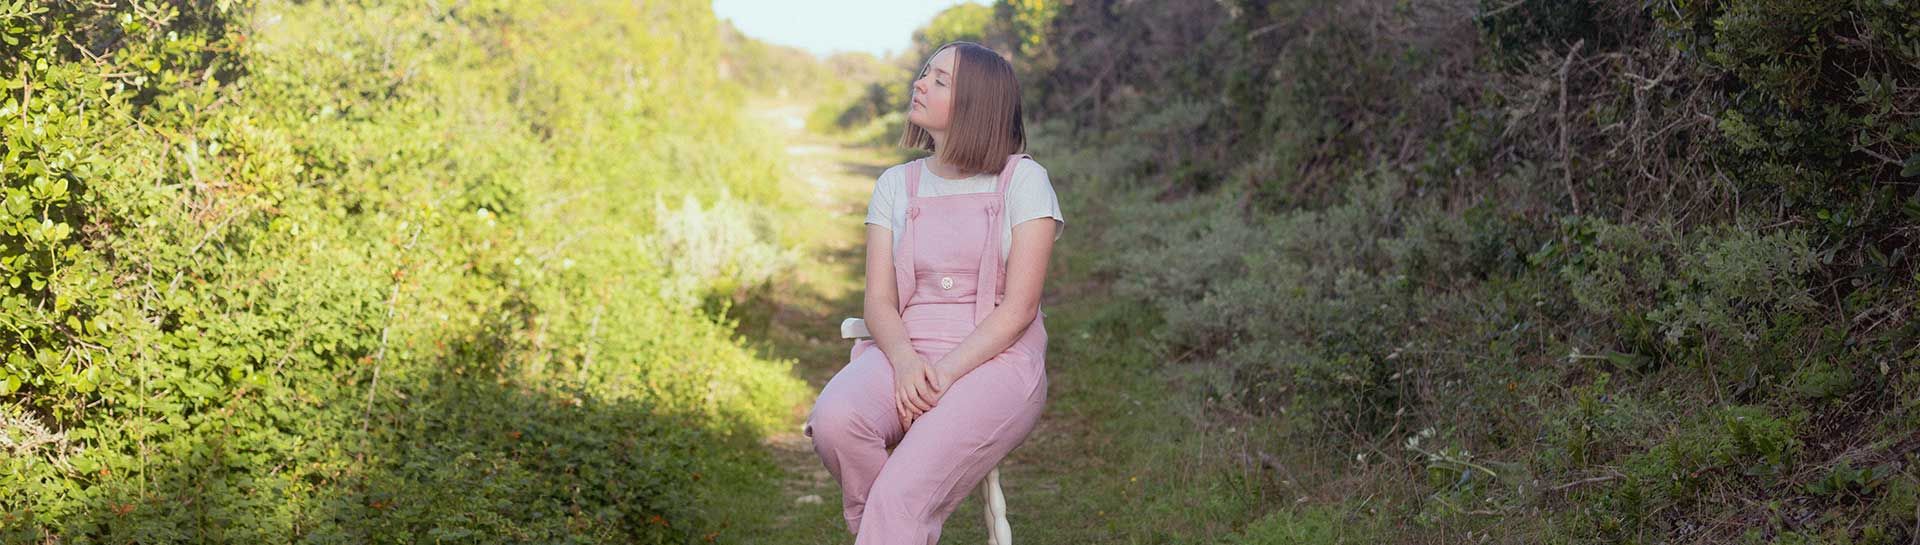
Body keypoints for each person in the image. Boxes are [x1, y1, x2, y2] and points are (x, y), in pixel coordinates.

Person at [803, 40, 1065, 543]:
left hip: (996, 360)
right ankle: (890, 527)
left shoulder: (1023, 181)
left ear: (976, 104)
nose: (919, 83)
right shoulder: (896, 185)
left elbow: (1020, 308)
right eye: (925, 72)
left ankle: (890, 522)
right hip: (906, 349)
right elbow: (878, 301)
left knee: (900, 497)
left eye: (939, 80)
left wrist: (943, 374)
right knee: (836, 421)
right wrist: (904, 362)